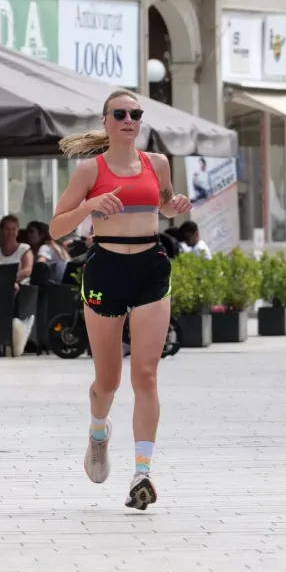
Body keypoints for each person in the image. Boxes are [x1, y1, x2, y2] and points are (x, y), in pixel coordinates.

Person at [50, 88, 191, 511]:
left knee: (145, 375)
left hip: (151, 266)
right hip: (105, 270)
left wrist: (175, 205)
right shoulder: (89, 170)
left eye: (135, 113)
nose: (129, 119)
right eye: (121, 114)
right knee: (107, 381)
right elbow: (57, 227)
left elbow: (164, 206)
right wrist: (92, 203)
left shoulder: (158, 162)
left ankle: (142, 473)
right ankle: (98, 433)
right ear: (106, 121)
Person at [0, 215, 34, 285]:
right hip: (0, 288)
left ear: (17, 230)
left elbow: (27, 270)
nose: (10, 232)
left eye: (13, 229)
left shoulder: (25, 249)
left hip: (22, 289)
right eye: (7, 229)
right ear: (1, 230)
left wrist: (9, 279)